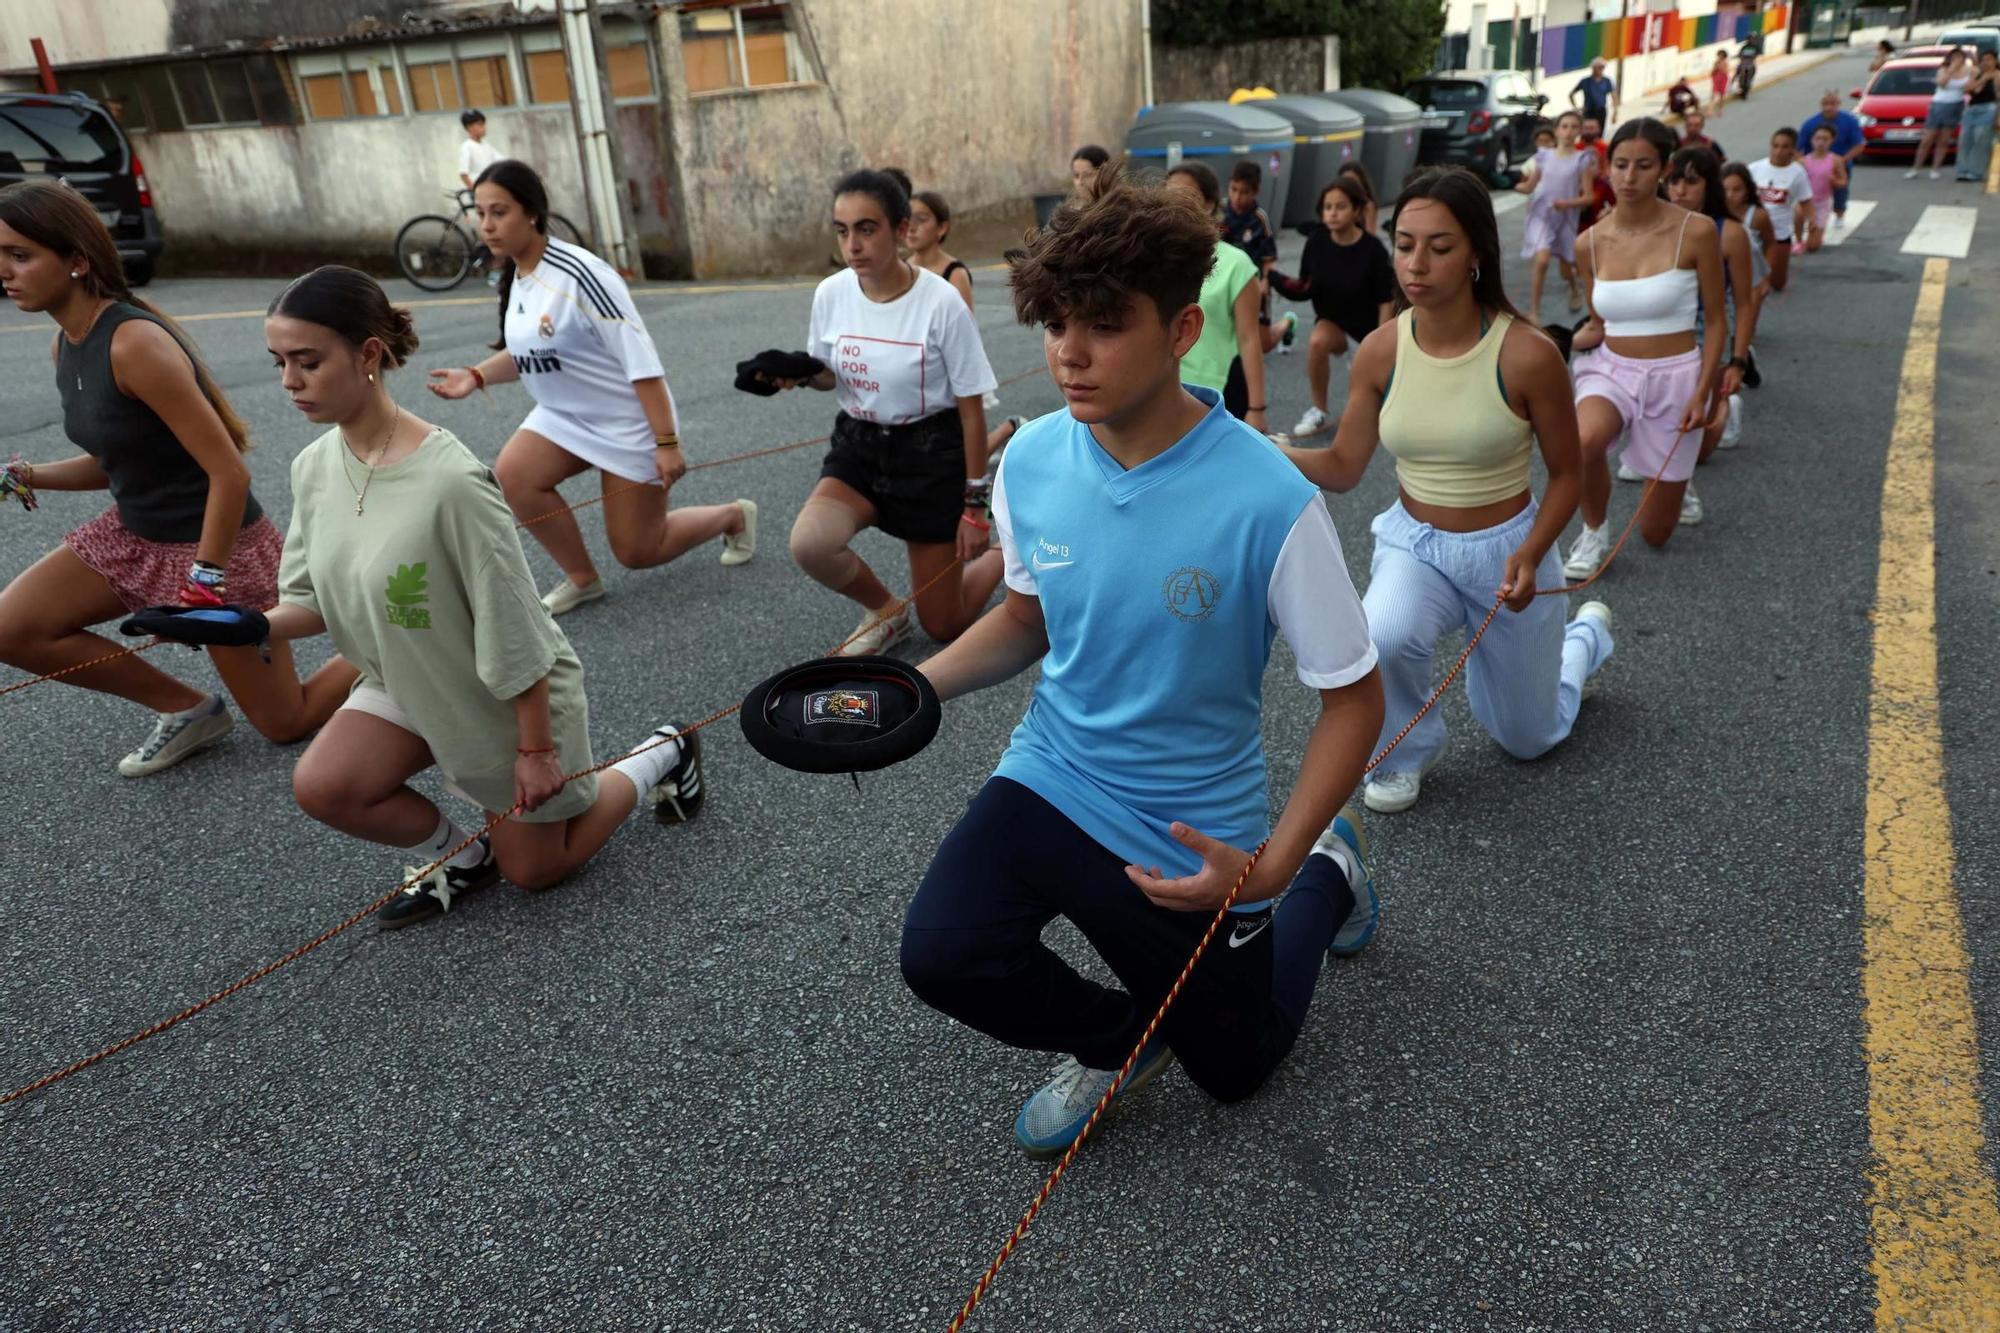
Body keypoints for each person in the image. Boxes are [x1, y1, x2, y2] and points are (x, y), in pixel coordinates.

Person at [899, 163, 1386, 1159]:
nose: (1068, 356)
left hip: (1189, 828)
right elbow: (1030, 620)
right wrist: (920, 681)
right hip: (1056, 774)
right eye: (1054, 325)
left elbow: (1353, 698)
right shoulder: (1032, 458)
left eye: (1103, 326)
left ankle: (1331, 871)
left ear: (1177, 333)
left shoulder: (1266, 496)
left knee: (1238, 1069)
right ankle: (1123, 1042)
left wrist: (1272, 864)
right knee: (942, 954)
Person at [262, 266, 706, 930]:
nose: (289, 381)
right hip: (411, 677)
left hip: (500, 699)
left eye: (307, 361)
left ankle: (663, 751)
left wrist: (535, 749)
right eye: (279, 362)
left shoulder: (452, 481)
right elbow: (310, 604)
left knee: (538, 871)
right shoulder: (314, 466)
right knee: (323, 785)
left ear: (368, 356)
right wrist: (239, 626)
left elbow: (517, 625)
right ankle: (463, 857)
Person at [1280, 166, 1610, 815]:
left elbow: (1568, 475)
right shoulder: (1381, 350)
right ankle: (1403, 752)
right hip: (1417, 544)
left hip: (1511, 546)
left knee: (1528, 739)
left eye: (1440, 245)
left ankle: (1584, 642)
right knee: (1382, 630)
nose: (1416, 262)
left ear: (1477, 256)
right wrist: (1271, 453)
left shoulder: (1528, 353)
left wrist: (1534, 549)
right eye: (1404, 244)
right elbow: (1346, 465)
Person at [0, 179, 358, 777]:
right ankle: (188, 709)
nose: (6, 271)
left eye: (20, 254)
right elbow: (120, 460)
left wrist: (204, 582)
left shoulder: (134, 342)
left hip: (215, 548)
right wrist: (26, 474)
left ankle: (402, 642)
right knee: (12, 629)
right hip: (136, 536)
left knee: (286, 722)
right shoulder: (68, 346)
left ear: (77, 261)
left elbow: (228, 472)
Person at [427, 161, 754, 617]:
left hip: (627, 421)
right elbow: (534, 352)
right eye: (480, 214)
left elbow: (642, 364)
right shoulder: (519, 274)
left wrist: (666, 443)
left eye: (499, 212)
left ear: (533, 214)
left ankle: (732, 515)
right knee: (514, 475)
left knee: (639, 551)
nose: (487, 225)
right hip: (565, 418)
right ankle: (583, 578)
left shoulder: (583, 275)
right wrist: (476, 375)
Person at [772, 169, 1003, 657]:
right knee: (811, 543)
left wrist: (975, 509)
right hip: (859, 445)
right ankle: (886, 611)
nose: (852, 244)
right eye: (842, 230)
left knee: (944, 624)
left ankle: (1012, 553)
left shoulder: (941, 302)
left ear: (900, 230)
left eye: (866, 228)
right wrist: (799, 374)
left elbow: (971, 409)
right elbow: (831, 374)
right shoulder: (831, 293)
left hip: (930, 455)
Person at [1563, 118, 1726, 579]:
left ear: (1664, 169)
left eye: (1642, 165)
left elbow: (1715, 320)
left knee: (1656, 534)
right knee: (1582, 441)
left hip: (1677, 375)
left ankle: (1680, 477)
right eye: (1620, 165)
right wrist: (1551, 342)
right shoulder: (1588, 243)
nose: (1629, 177)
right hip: (1610, 369)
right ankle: (1594, 530)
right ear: (1606, 168)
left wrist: (1704, 392)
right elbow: (1598, 323)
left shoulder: (1695, 231)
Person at [1660, 147, 1757, 511]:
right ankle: (1672, 475)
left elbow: (1745, 303)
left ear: (1708, 185)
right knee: (1665, 416)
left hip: (1704, 329)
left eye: (1691, 181)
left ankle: (1724, 410)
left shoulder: (1729, 233)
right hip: (1660, 327)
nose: (1680, 190)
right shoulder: (1654, 224)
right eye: (1674, 181)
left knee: (1696, 442)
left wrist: (1737, 361)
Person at [907, 189, 1025, 459]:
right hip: (914, 370)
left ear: (942, 227)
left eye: (921, 219)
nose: (912, 227)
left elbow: (965, 334)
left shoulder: (954, 273)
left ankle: (1010, 427)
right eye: (908, 218)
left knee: (963, 455)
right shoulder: (903, 268)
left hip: (946, 372)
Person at [1164, 162, 1270, 435]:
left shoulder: (1237, 264)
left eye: (1186, 196)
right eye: (1168, 196)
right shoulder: (1150, 260)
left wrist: (1257, 409)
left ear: (1209, 204)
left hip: (1212, 395)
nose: (1175, 204)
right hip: (1157, 392)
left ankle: (1284, 328)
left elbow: (1249, 339)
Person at [1285, 178, 1395, 437]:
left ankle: (1379, 409)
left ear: (1356, 211)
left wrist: (1381, 343)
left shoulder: (1373, 249)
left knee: (1374, 399)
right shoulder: (1317, 241)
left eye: (1341, 206)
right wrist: (1272, 279)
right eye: (1327, 207)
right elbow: (1306, 284)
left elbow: (1385, 300)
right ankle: (1319, 410)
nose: (1332, 213)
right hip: (1333, 322)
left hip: (1367, 328)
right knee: (1316, 342)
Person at [1514, 110, 1596, 322]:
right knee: (1541, 261)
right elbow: (1531, 185)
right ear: (1557, 130)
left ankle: (1574, 287)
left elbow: (1589, 197)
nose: (1568, 132)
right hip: (1543, 216)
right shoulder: (1543, 156)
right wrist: (1517, 186)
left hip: (1566, 219)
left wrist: (1567, 204)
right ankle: (1535, 312)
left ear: (1579, 131)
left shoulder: (1582, 160)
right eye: (1564, 126)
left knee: (1567, 267)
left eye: (1574, 127)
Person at [1222, 161, 1298, 355]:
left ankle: (1287, 322)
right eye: (1234, 189)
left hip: (1254, 283)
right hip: (1225, 281)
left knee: (1263, 345)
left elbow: (1269, 258)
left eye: (1244, 192)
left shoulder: (1260, 220)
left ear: (1255, 192)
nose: (1237, 197)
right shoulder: (1220, 213)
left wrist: (1265, 283)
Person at [1749, 129, 1814, 293]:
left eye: (1785, 147)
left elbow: (1806, 201)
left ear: (1793, 150)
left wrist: (1812, 221)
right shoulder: (1754, 169)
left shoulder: (1797, 173)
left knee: (1778, 284)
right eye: (1775, 146)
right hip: (1753, 230)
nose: (1779, 151)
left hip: (1780, 232)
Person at [1798, 90, 1865, 224]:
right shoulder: (1810, 123)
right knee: (1811, 190)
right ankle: (1810, 215)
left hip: (1840, 162)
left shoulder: (1849, 121)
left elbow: (1859, 144)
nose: (1828, 107)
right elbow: (1799, 148)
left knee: (1841, 189)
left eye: (1832, 104)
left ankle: (1839, 213)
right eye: (1825, 104)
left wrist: (1843, 160)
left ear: (1838, 104)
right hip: (1814, 164)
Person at [1910, 49, 1972, 181]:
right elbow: (1942, 84)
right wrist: (1951, 69)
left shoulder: (1968, 70)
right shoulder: (1943, 69)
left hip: (1955, 105)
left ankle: (1935, 169)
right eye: (1954, 57)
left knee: (1944, 140)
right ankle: (1915, 168)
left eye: (1960, 57)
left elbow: (1969, 87)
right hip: (1939, 104)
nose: (1957, 59)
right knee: (1927, 139)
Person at [1798, 124, 1847, 253]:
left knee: (1813, 247)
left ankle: (1815, 237)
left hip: (1822, 203)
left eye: (1825, 139)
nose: (1821, 142)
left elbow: (1843, 182)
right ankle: (1799, 239)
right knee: (1798, 220)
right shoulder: (1803, 162)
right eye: (1818, 138)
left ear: (1832, 141)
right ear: (1812, 140)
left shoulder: (1836, 160)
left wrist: (1834, 181)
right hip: (1804, 203)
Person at [1955, 51, 1998, 184]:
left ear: (1995, 61)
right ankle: (1963, 170)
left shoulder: (1997, 75)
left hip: (1989, 109)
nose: (1986, 63)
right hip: (1972, 109)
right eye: (1983, 60)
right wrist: (1982, 79)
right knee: (1965, 139)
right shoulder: (1976, 73)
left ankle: (1976, 172)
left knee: (1981, 140)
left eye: (1989, 60)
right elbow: (1966, 89)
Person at [457, 110, 502, 191]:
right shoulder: (467, 147)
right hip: (479, 190)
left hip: (490, 186)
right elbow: (463, 174)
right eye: (479, 125)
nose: (484, 128)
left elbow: (502, 161)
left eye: (483, 124)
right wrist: (475, 190)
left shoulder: (487, 146)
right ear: (469, 127)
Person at [1338, 160, 1381, 237]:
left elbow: (1370, 235)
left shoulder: (1367, 206)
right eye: (1346, 182)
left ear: (1362, 183)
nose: (1349, 186)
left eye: (1354, 182)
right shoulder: (1336, 203)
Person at [1571, 57, 1619, 127]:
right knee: (1587, 132)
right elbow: (1571, 94)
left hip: (1601, 111)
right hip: (1588, 111)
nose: (1601, 69)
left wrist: (1615, 112)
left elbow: (1614, 96)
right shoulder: (1585, 81)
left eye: (1603, 67)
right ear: (1593, 68)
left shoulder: (1607, 81)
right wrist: (1576, 108)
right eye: (1599, 67)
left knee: (1599, 133)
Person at [1709, 50, 1732, 117]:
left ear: (1724, 56)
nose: (1719, 56)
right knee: (1713, 95)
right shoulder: (1716, 63)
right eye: (1719, 55)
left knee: (1722, 96)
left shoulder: (1725, 63)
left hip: (1723, 80)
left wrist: (1721, 67)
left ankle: (1720, 110)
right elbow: (1712, 73)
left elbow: (1726, 72)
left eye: (1720, 55)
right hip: (1716, 79)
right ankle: (1710, 111)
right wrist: (1716, 68)